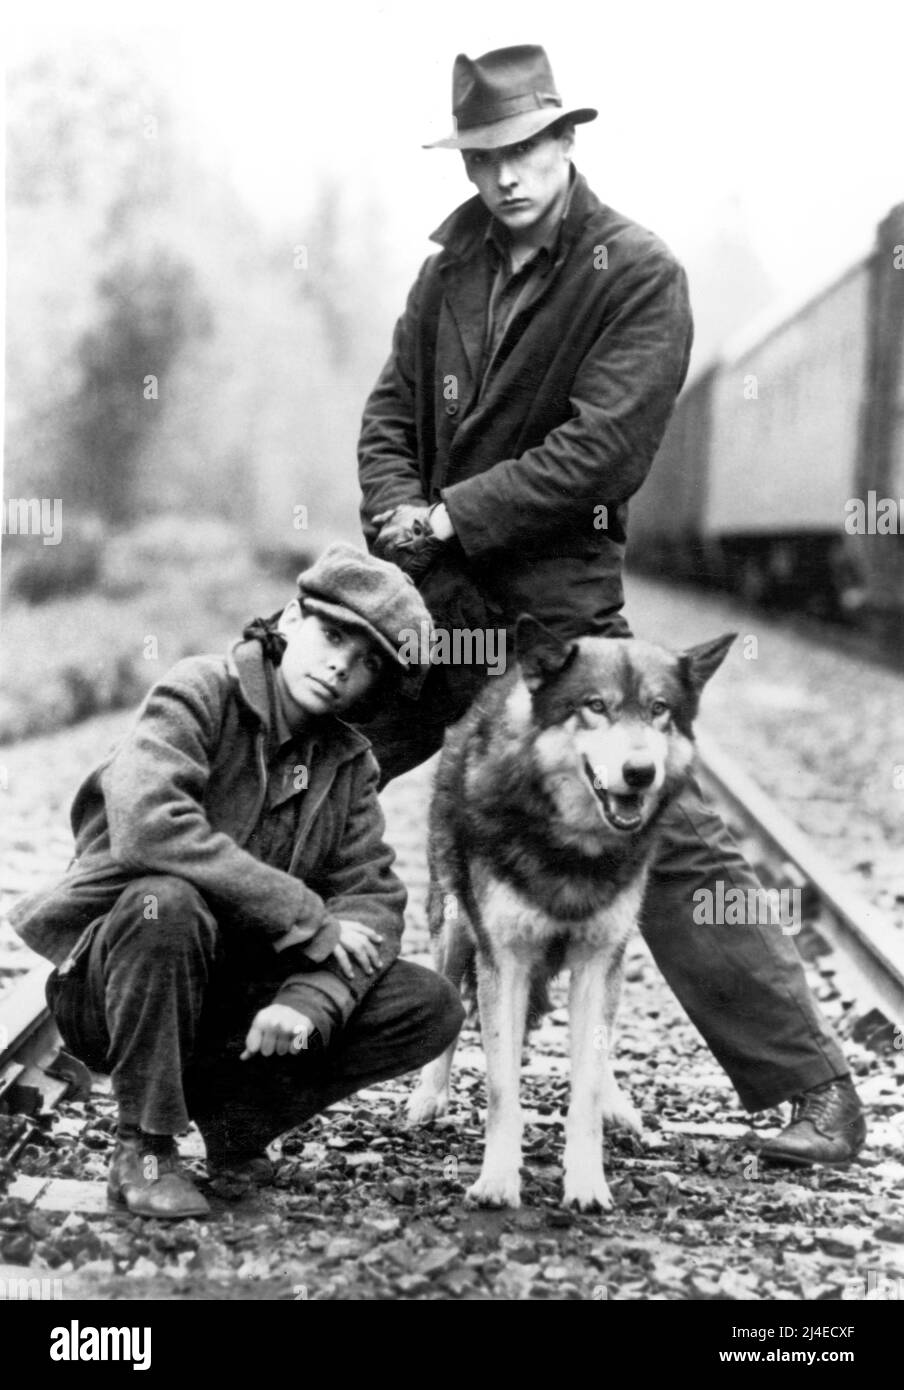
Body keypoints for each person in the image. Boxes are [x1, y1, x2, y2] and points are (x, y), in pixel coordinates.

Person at [356, 44, 865, 1165]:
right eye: (483, 155)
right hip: (433, 608)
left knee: (660, 829)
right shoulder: (447, 272)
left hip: (556, 620)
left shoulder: (634, 271)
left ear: (565, 140)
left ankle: (809, 1088)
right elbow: (392, 407)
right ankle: (188, 1058)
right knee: (305, 759)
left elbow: (603, 449)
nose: (504, 175)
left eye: (524, 148)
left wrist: (451, 516)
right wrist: (395, 511)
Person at [11, 543, 464, 1218]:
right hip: (116, 985)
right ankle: (145, 1144)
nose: (341, 664)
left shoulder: (350, 765)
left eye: (368, 661)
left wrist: (309, 1001)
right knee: (166, 901)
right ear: (290, 619)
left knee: (426, 1003)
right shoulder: (199, 692)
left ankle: (237, 1122)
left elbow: (371, 901)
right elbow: (148, 827)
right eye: (333, 635)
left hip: (234, 996)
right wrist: (303, 913)